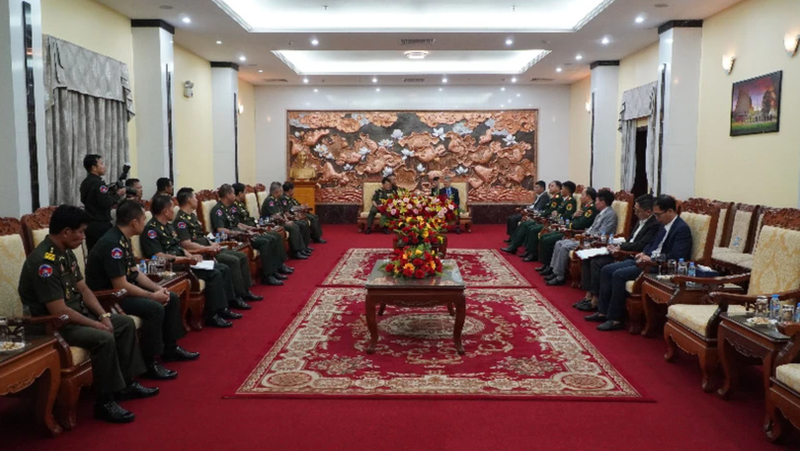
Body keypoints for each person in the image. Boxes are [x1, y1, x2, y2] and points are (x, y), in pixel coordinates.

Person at [18, 205, 158, 423]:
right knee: (103, 337)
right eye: (81, 232)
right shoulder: (43, 263)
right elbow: (59, 310)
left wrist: (103, 316)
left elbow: (83, 289)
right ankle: (105, 402)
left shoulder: (66, 252)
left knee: (123, 323)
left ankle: (126, 384)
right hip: (55, 324)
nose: (84, 237)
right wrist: (97, 325)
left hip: (76, 315)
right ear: (66, 232)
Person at [85, 201, 199, 380]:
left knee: (172, 297)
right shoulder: (112, 244)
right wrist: (152, 296)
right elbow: (120, 285)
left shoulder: (122, 238)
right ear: (134, 223)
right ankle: (149, 362)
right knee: (154, 308)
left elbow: (135, 272)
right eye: (143, 219)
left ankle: (170, 348)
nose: (145, 223)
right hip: (110, 298)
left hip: (124, 291)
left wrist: (158, 288)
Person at [587, 195, 692, 331]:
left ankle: (615, 318)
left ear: (670, 211)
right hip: (644, 260)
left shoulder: (681, 229)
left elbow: (677, 256)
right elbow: (651, 244)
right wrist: (644, 253)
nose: (656, 218)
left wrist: (652, 259)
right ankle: (602, 311)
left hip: (659, 267)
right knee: (607, 269)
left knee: (619, 274)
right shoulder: (663, 224)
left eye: (658, 214)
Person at [141, 195, 245, 327]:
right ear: (165, 211)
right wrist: (184, 259)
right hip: (171, 267)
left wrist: (191, 255)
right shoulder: (151, 230)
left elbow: (179, 246)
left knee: (222, 268)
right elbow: (158, 256)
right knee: (214, 273)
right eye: (172, 208)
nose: (174, 210)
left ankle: (224, 307)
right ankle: (212, 315)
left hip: (185, 262)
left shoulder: (168, 226)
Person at [174, 187, 271, 301]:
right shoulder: (180, 221)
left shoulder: (192, 216)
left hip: (210, 247)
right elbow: (186, 244)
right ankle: (237, 297)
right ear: (189, 200)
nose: (197, 200)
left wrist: (212, 243)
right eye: (195, 197)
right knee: (233, 261)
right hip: (203, 253)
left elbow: (202, 235)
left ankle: (245, 291)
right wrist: (207, 248)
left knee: (242, 256)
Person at [575, 194, 660, 312]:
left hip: (630, 254)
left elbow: (641, 244)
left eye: (637, 210)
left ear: (648, 212)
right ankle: (588, 296)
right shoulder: (641, 220)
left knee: (597, 263)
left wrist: (620, 247)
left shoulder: (654, 225)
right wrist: (616, 244)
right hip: (625, 250)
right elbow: (630, 239)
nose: (635, 213)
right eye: (635, 209)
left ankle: (596, 300)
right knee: (588, 258)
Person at [214, 184, 290, 284]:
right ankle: (267, 275)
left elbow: (238, 223)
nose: (235, 195)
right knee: (265, 241)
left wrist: (251, 229)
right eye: (233, 193)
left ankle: (275, 269)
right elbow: (220, 230)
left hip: (243, 233)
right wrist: (237, 232)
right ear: (228, 195)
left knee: (272, 238)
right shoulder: (218, 210)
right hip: (236, 237)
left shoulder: (228, 208)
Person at [542, 189, 618, 286]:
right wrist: (584, 234)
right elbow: (591, 228)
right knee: (559, 243)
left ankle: (560, 276)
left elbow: (603, 233)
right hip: (586, 237)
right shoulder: (601, 213)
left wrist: (585, 236)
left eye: (597, 201)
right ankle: (554, 271)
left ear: (602, 202)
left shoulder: (610, 215)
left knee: (565, 247)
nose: (595, 203)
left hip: (593, 242)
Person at [502, 181, 576, 257]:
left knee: (531, 228)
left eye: (562, 188)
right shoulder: (563, 200)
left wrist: (555, 215)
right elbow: (551, 211)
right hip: (550, 220)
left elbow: (565, 215)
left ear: (567, 190)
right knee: (526, 224)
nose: (561, 190)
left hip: (554, 222)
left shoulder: (569, 201)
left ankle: (530, 252)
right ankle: (518, 247)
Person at [535, 187, 599, 266]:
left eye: (582, 195)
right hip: (569, 230)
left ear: (588, 197)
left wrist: (567, 225)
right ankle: (547, 265)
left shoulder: (591, 209)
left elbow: (580, 224)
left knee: (548, 240)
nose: (580, 197)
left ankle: (548, 265)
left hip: (574, 233)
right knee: (545, 237)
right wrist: (573, 216)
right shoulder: (585, 207)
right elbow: (575, 219)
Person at [80, 154, 126, 251]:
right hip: (101, 225)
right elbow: (106, 203)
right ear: (94, 168)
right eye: (101, 164)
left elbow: (84, 200)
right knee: (106, 253)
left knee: (93, 254)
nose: (104, 166)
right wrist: (118, 194)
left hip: (90, 225)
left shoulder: (85, 183)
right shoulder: (99, 184)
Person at [261, 182, 313, 259]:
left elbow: (282, 213)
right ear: (277, 192)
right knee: (292, 228)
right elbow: (276, 216)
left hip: (278, 221)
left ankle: (301, 248)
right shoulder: (270, 201)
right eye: (281, 191)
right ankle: (295, 251)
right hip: (271, 223)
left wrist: (287, 220)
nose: (282, 192)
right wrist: (286, 222)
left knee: (295, 226)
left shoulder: (276, 199)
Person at [503, 180, 562, 245]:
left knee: (525, 224)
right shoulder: (551, 197)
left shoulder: (553, 197)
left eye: (552, 186)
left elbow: (546, 210)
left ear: (558, 188)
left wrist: (537, 214)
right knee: (517, 220)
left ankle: (516, 243)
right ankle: (514, 241)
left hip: (545, 219)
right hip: (539, 216)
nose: (549, 188)